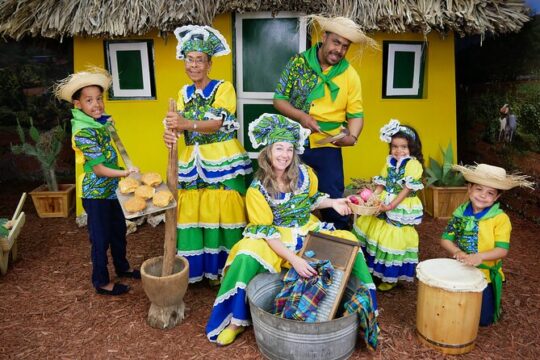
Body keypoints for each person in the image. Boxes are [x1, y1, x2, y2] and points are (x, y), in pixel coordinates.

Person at [205, 113, 377, 346]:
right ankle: (235, 322)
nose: (284, 155)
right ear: (268, 152)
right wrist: (294, 260)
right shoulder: (258, 189)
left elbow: (312, 200)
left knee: (348, 241)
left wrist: (334, 202)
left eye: (289, 149)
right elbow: (265, 231)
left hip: (306, 229)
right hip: (274, 237)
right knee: (245, 255)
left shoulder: (304, 174)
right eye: (279, 148)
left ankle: (369, 315)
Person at [164, 25, 253, 284]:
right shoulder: (183, 93)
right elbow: (176, 128)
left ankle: (226, 271)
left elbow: (217, 123)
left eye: (199, 60)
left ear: (209, 64)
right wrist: (171, 133)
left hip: (222, 156)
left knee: (223, 206)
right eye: (189, 60)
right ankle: (198, 270)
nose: (194, 65)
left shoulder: (223, 88)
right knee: (195, 208)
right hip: (193, 158)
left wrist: (184, 124)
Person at [273, 15, 377, 230]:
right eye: (336, 42)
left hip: (330, 145)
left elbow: (356, 114)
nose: (339, 50)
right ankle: (290, 241)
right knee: (291, 192)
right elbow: (279, 99)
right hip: (294, 143)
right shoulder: (298, 63)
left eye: (345, 46)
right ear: (324, 37)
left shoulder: (350, 75)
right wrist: (302, 117)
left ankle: (338, 244)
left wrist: (352, 137)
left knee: (333, 197)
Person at [54, 68, 140, 296]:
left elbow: (116, 148)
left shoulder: (98, 123)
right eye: (89, 100)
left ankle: (123, 267)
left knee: (119, 231)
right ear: (78, 104)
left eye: (99, 99)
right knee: (100, 239)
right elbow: (100, 169)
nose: (96, 104)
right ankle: (101, 282)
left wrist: (107, 125)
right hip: (95, 193)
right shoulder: (83, 131)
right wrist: (125, 174)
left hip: (111, 191)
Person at [440, 163, 534, 326]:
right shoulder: (459, 213)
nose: (483, 196)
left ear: (496, 197)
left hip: (486, 276)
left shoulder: (500, 219)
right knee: (458, 311)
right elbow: (445, 239)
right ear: (470, 189)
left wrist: (480, 257)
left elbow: (502, 250)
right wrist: (457, 251)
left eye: (490, 193)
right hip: (462, 269)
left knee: (484, 320)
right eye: (479, 189)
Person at [352, 119, 424, 292]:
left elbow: (406, 189)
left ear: (412, 148)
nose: (399, 151)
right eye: (395, 146)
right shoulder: (389, 162)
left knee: (392, 238)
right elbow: (381, 185)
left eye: (404, 147)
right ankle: (374, 270)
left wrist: (391, 205)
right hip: (384, 201)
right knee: (374, 232)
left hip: (400, 203)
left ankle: (390, 277)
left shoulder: (413, 165)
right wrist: (371, 200)